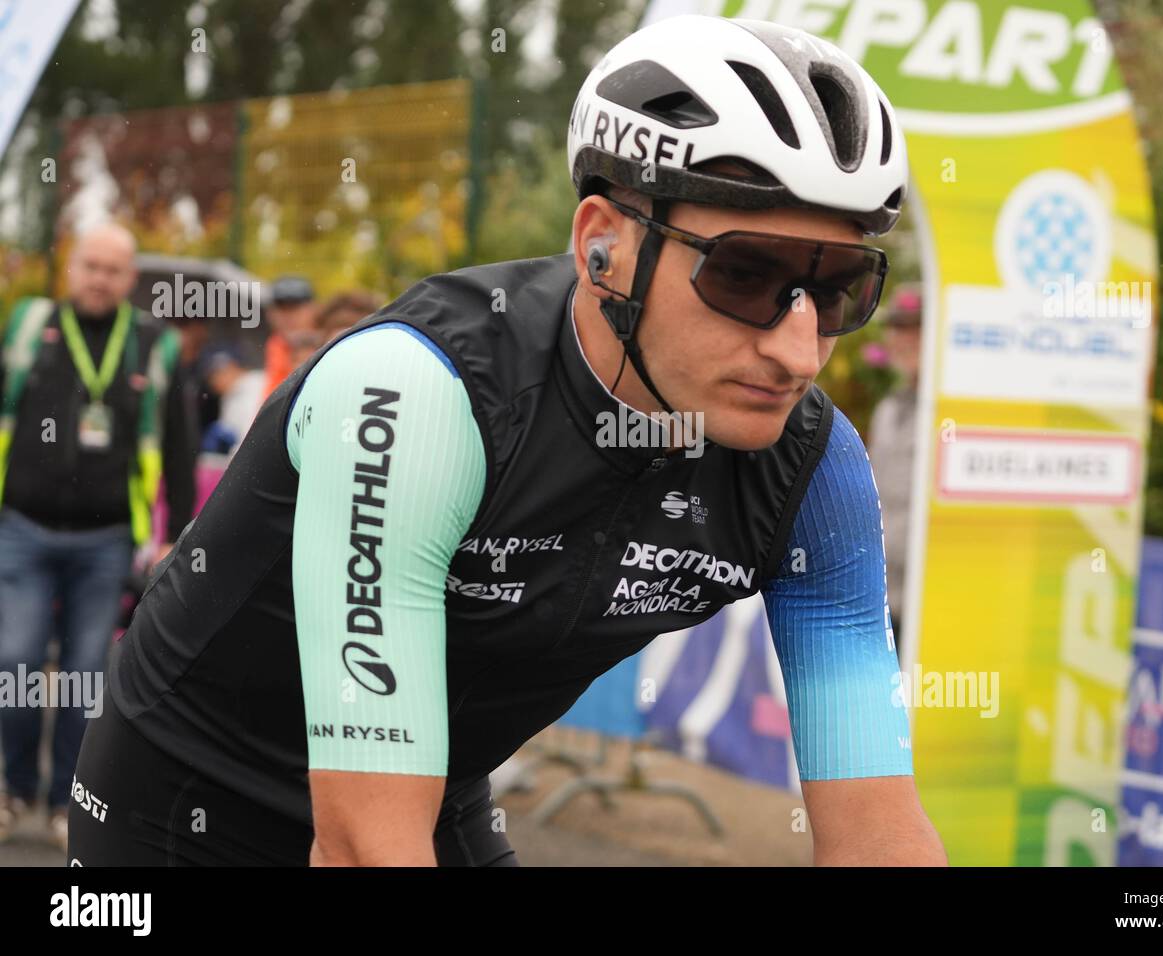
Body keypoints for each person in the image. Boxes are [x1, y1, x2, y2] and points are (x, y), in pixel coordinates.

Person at [69, 16, 946, 867]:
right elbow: (362, 848)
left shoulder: (813, 470)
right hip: (184, 806)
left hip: (433, 793)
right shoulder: (415, 395)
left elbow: (879, 836)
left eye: (836, 289)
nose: (799, 350)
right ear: (603, 244)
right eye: (745, 274)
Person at [0, 222, 196, 850]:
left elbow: (179, 445)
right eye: (90, 265)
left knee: (88, 673)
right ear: (70, 267)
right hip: (22, 529)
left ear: (130, 278)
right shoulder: (32, 328)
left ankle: (66, 805)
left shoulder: (151, 343)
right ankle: (14, 789)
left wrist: (180, 534)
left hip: (107, 539)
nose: (99, 278)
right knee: (15, 660)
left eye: (113, 269)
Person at [866, 284, 921, 651]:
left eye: (914, 327)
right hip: (880, 599)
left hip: (928, 601)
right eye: (896, 326)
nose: (901, 338)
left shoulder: (955, 414)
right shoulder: (889, 408)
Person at [198, 346, 267, 459]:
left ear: (232, 367)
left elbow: (251, 436)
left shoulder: (257, 383)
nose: (213, 383)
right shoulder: (229, 395)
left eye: (216, 375)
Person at [260, 275, 316, 400]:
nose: (289, 316)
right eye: (282, 308)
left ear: (312, 309)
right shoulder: (276, 343)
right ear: (271, 313)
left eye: (295, 307)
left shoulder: (328, 341)